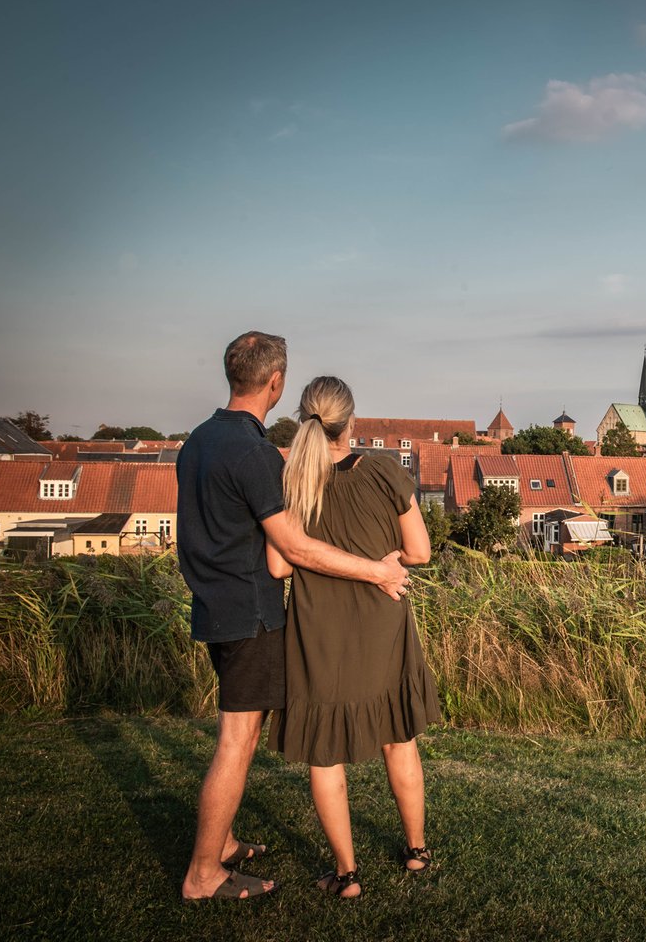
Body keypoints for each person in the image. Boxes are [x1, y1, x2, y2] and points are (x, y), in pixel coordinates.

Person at [176, 333, 410, 901]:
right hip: (250, 612)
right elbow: (293, 551)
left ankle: (223, 842)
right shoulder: (254, 454)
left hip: (210, 605)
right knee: (237, 739)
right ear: (275, 383)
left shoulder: (197, 442)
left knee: (243, 733)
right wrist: (376, 571)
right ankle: (204, 873)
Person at [266, 376, 442, 899]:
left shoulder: (292, 482)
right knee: (399, 739)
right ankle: (416, 850)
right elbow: (421, 553)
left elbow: (278, 565)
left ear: (305, 420)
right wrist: (385, 561)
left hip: (319, 629)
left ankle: (346, 876)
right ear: (352, 419)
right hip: (381, 619)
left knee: (326, 754)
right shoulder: (385, 471)